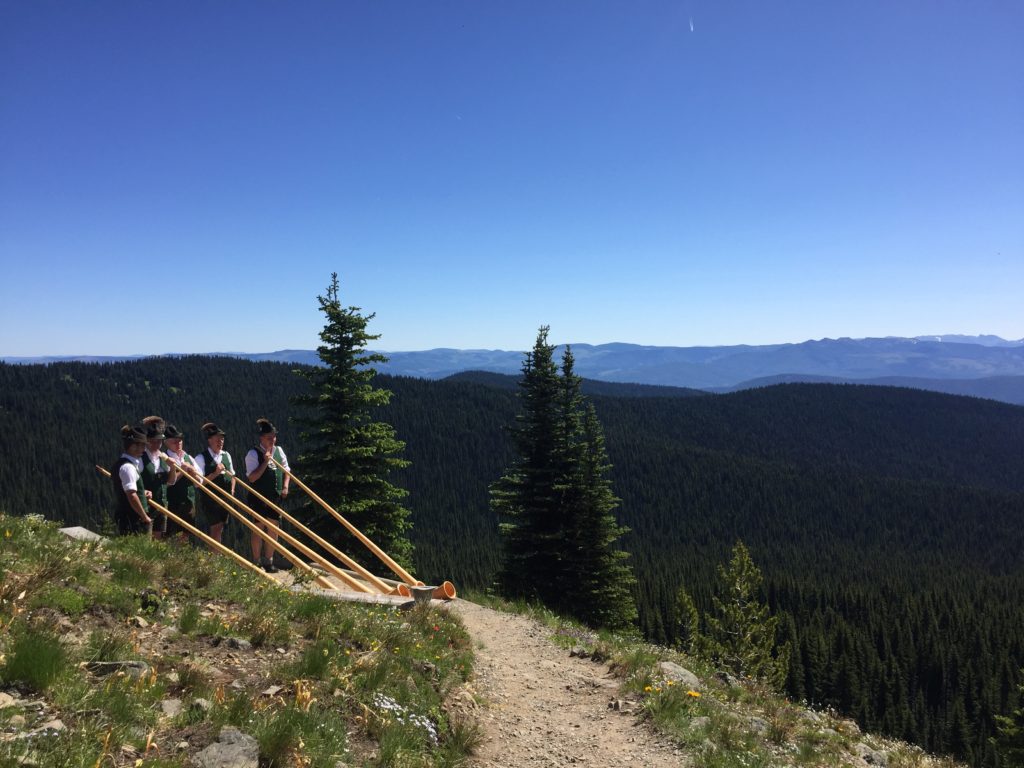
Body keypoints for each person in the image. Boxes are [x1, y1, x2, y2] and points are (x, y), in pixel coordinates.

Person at [245, 417, 291, 573]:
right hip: (258, 496)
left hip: (275, 496)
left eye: (274, 437)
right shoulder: (253, 454)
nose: (272, 440)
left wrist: (285, 486)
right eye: (269, 437)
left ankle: (269, 561)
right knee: (258, 527)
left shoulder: (279, 451)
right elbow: (252, 478)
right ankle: (257, 561)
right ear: (261, 438)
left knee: (273, 527)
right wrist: (265, 462)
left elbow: (286, 470)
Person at [193, 422, 235, 544]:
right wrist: (215, 473)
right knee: (215, 527)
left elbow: (233, 475)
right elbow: (198, 483)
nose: (220, 442)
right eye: (217, 439)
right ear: (209, 440)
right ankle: (215, 553)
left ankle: (216, 552)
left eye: (222, 439)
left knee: (220, 527)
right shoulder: (200, 458)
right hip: (210, 499)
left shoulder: (226, 455)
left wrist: (232, 490)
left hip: (225, 498)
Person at [110, 424, 153, 535]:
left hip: (128, 516)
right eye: (142, 445)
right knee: (138, 545)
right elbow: (131, 495)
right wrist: (144, 517)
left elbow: (127, 490)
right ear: (133, 446)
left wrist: (142, 492)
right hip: (133, 519)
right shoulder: (128, 467)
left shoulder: (122, 464)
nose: (143, 449)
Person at [141, 416, 178, 539]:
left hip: (161, 504)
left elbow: (171, 482)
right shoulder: (141, 458)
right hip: (146, 504)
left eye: (160, 442)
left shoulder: (163, 458)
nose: (157, 445)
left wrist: (172, 468)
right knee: (146, 537)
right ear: (147, 440)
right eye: (154, 441)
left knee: (159, 538)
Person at [163, 423, 200, 544]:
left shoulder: (188, 457)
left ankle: (182, 555)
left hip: (189, 503)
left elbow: (199, 482)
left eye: (180, 440)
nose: (178, 443)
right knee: (169, 534)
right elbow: (166, 483)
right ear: (166, 443)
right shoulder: (164, 458)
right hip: (172, 503)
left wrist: (193, 472)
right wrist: (182, 471)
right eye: (174, 441)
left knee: (186, 534)